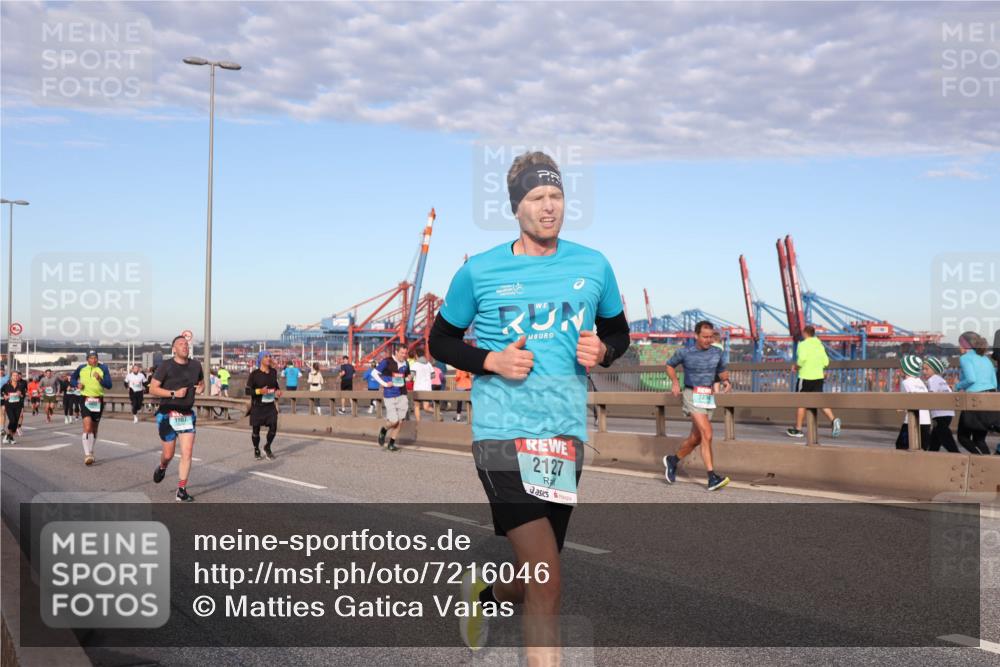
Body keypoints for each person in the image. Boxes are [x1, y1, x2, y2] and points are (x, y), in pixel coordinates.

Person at [428, 150, 631, 659]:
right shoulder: (480, 271)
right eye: (537, 197)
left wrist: (605, 349)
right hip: (501, 434)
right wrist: (491, 361)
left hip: (563, 437)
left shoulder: (594, 264)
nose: (548, 207)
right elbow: (441, 341)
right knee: (549, 585)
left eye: (556, 196)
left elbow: (618, 330)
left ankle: (486, 593)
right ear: (516, 206)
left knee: (534, 574)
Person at [663, 321, 732, 491]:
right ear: (696, 335)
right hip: (691, 394)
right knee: (707, 433)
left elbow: (721, 369)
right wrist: (674, 383)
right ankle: (711, 477)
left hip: (707, 396)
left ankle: (672, 460)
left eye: (711, 337)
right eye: (705, 337)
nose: (709, 340)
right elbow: (669, 365)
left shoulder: (717, 352)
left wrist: (725, 381)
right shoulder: (685, 352)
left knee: (697, 438)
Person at [149, 336, 204, 501]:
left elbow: (201, 383)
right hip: (167, 414)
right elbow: (152, 388)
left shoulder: (196, 365)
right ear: (174, 349)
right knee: (168, 454)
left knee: (187, 452)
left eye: (186, 344)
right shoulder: (166, 366)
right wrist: (173, 393)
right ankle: (162, 466)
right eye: (181, 344)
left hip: (186, 414)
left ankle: (181, 490)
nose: (185, 346)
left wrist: (201, 387)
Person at [786, 325, 841, 439]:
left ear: (805, 333)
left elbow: (801, 360)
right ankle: (833, 420)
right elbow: (826, 362)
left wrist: (795, 367)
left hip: (805, 377)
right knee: (819, 401)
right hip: (818, 377)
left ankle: (798, 429)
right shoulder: (819, 345)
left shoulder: (803, 344)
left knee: (801, 403)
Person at [955, 331, 998, 455]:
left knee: (963, 437)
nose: (959, 347)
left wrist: (957, 386)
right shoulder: (986, 359)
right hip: (989, 399)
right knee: (979, 440)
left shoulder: (965, 358)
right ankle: (987, 464)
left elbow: (971, 379)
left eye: (960, 344)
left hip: (974, 400)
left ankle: (981, 461)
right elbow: (994, 383)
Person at [70, 350, 113, 466]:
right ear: (87, 359)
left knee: (94, 429)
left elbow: (109, 385)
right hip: (85, 399)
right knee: (87, 426)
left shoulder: (103, 368)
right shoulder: (81, 368)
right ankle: (87, 454)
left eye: (95, 358)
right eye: (91, 358)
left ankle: (91, 450)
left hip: (98, 399)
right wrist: (76, 384)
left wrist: (100, 379)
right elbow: (72, 379)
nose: (93, 360)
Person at [372, 346, 410, 452]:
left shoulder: (406, 363)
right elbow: (374, 373)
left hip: (402, 394)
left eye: (405, 353)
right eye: (402, 353)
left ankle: (391, 444)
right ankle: (384, 429)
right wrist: (384, 384)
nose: (404, 355)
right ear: (396, 352)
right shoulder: (387, 361)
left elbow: (406, 377)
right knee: (394, 421)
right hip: (390, 394)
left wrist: (409, 378)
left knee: (400, 422)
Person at [245, 350, 280, 460]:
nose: (269, 358)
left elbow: (276, 386)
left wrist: (277, 391)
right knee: (256, 431)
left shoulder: (273, 372)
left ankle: (267, 447)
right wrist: (260, 391)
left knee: (273, 428)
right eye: (266, 356)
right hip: (258, 406)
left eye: (270, 356)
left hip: (270, 405)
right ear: (260, 359)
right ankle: (256, 449)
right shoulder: (254, 375)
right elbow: (247, 391)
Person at [923, 356, 959, 453]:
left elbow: (931, 395)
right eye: (923, 369)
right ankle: (931, 456)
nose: (924, 371)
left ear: (934, 370)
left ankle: (957, 455)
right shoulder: (941, 380)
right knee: (935, 440)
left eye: (927, 369)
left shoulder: (932, 380)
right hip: (948, 413)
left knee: (945, 438)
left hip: (939, 414)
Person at [895, 355, 931, 450]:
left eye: (901, 367)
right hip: (926, 421)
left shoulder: (906, 383)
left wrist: (900, 407)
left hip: (911, 422)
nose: (899, 369)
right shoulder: (920, 382)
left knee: (901, 446)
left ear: (907, 369)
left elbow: (905, 401)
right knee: (922, 448)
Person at [1, 371, 27, 445]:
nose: (15, 377)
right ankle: (10, 437)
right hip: (9, 405)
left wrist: (20, 394)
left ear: (18, 377)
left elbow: (23, 395)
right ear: (11, 377)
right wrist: (4, 396)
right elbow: (1, 392)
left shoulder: (21, 385)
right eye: (14, 375)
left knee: (15, 422)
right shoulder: (6, 385)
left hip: (18, 405)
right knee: (12, 420)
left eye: (17, 376)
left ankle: (9, 436)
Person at [410, 352, 435, 422]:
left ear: (416, 355)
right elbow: (433, 376)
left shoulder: (415, 364)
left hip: (418, 388)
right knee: (426, 407)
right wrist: (425, 376)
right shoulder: (429, 364)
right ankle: (438, 413)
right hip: (427, 388)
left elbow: (411, 377)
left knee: (417, 406)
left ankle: (419, 423)